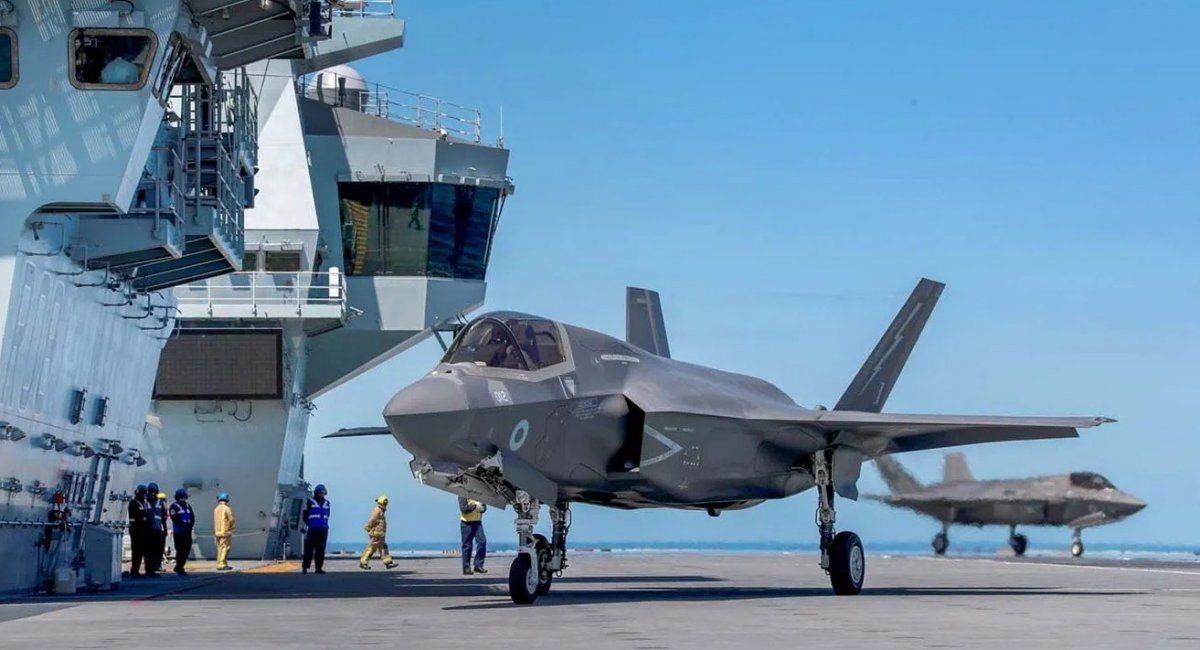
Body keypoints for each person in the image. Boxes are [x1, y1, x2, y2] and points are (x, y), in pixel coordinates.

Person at [360, 495, 396, 570]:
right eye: (385, 503)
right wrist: (368, 527)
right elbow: (372, 520)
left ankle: (388, 562)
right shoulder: (377, 510)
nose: (386, 504)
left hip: (381, 534)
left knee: (383, 548)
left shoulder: (381, 511)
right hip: (376, 534)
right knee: (371, 548)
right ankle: (363, 562)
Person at [301, 484, 331, 574]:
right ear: (316, 492)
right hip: (313, 529)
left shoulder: (327, 503)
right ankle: (305, 567)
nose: (322, 494)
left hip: (323, 529)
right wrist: (309, 524)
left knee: (321, 550)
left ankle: (318, 568)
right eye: (321, 492)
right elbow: (305, 515)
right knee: (309, 549)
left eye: (324, 493)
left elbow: (328, 515)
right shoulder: (309, 502)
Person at [168, 489, 195, 576]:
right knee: (180, 550)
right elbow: (174, 518)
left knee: (187, 548)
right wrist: (183, 525)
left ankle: (180, 565)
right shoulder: (174, 506)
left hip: (187, 531)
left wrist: (190, 526)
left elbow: (192, 517)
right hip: (179, 532)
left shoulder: (187, 506)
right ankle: (179, 567)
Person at [459, 497, 488, 575]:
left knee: (482, 542)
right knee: (467, 546)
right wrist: (475, 506)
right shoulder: (463, 494)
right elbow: (464, 509)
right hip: (466, 523)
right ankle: (466, 568)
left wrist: (482, 508)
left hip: (477, 523)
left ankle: (478, 565)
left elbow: (484, 508)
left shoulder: (480, 494)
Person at [127, 484, 149, 578]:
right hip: (136, 530)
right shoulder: (134, 503)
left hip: (143, 530)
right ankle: (134, 570)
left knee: (141, 551)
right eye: (143, 494)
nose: (144, 496)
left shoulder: (144, 503)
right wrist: (136, 527)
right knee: (136, 551)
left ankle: (137, 569)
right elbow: (133, 517)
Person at [145, 482, 166, 577]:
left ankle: (156, 567)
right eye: (151, 492)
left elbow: (163, 517)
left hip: (158, 530)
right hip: (148, 530)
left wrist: (164, 529)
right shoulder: (145, 502)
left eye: (154, 492)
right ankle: (149, 569)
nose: (153, 493)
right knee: (149, 551)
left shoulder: (160, 503)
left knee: (158, 550)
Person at [214, 493, 236, 571]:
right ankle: (222, 564)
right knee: (225, 548)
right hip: (225, 532)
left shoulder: (216, 509)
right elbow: (231, 519)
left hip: (217, 532)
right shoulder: (227, 508)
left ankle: (220, 563)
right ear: (227, 500)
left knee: (219, 548)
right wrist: (232, 528)